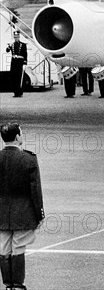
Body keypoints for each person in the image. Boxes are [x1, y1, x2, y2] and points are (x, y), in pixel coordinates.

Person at [0, 123, 44, 289]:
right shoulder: (29, 159)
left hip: (1, 212)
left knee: (4, 247)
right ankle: (17, 284)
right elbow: (35, 191)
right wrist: (40, 214)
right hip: (23, 211)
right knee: (18, 247)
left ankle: (8, 284)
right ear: (18, 137)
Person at [5, 30, 27, 98]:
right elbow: (7, 50)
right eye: (15, 37)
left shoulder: (23, 45)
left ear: (19, 37)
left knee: (19, 77)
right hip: (14, 62)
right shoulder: (12, 44)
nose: (16, 38)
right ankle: (15, 92)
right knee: (13, 77)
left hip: (20, 62)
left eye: (17, 37)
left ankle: (20, 92)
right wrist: (9, 46)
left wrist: (24, 63)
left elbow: (25, 54)